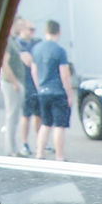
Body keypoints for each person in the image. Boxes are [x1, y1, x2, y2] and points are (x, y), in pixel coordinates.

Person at [28, 19, 75, 161]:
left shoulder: (36, 49)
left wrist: (39, 87)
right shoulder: (59, 51)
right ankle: (59, 156)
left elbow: (34, 71)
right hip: (58, 91)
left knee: (45, 123)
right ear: (58, 32)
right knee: (59, 125)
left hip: (42, 91)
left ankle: (39, 153)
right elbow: (64, 74)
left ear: (45, 31)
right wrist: (69, 94)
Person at [0, 17, 27, 155]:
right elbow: (4, 64)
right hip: (11, 83)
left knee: (14, 117)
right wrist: (15, 82)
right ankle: (10, 150)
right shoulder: (8, 42)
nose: (21, 28)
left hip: (15, 82)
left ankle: (13, 148)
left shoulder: (13, 41)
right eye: (20, 25)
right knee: (11, 117)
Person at [16, 19, 40, 155]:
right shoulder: (18, 45)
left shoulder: (36, 44)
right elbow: (29, 62)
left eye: (33, 30)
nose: (32, 33)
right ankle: (24, 143)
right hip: (25, 84)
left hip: (36, 85)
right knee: (26, 115)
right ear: (23, 30)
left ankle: (39, 142)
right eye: (30, 29)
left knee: (38, 115)